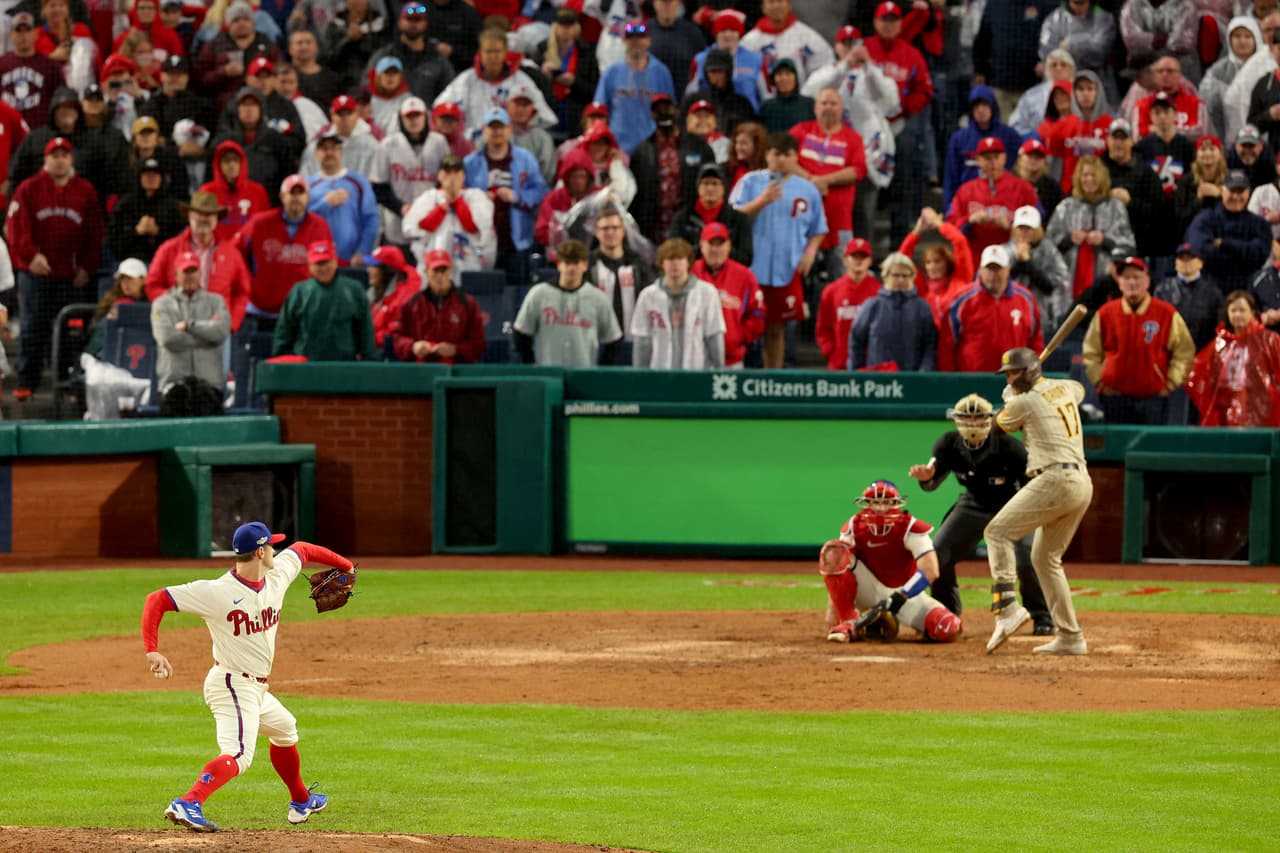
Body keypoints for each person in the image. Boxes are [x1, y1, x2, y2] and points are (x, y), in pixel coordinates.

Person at [142, 521, 351, 832]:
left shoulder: (277, 574)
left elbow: (304, 549)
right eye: (271, 546)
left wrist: (345, 565)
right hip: (231, 684)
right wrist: (152, 650)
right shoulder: (215, 592)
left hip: (257, 689)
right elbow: (156, 599)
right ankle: (189, 802)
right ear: (259, 551)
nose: (276, 550)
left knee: (285, 729)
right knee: (239, 755)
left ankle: (301, 801)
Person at [907, 393, 1054, 635]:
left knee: (1028, 559)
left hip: (1013, 507)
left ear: (990, 419)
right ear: (956, 420)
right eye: (967, 418)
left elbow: (1032, 486)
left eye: (979, 418)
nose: (973, 424)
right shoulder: (948, 444)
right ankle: (947, 615)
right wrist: (926, 478)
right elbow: (932, 480)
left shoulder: (1008, 446)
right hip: (973, 505)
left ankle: (1042, 617)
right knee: (939, 553)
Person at [983, 346, 1092, 655]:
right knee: (1044, 559)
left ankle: (1007, 609)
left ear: (1029, 372)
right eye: (1006, 374)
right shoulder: (1064, 387)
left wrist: (1009, 395)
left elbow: (999, 425)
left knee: (997, 532)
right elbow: (1079, 390)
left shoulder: (1023, 402)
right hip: (1081, 482)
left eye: (1013, 373)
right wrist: (1035, 384)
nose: (1009, 378)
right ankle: (1071, 637)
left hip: (1056, 478)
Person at [5, 136, 102, 400]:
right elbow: (16, 230)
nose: (59, 160)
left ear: (71, 160)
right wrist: (31, 256)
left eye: (64, 155)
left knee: (71, 328)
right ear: (45, 160)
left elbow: (94, 233)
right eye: (54, 155)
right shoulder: (28, 188)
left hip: (69, 276)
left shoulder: (85, 191)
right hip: (35, 273)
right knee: (32, 325)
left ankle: (68, 380)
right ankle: (27, 380)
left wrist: (86, 266)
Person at [818, 479, 962, 644]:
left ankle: (878, 622)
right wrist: (833, 608)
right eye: (875, 502)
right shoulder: (854, 525)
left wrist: (898, 599)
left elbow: (931, 571)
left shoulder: (911, 527)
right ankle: (849, 623)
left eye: (886, 502)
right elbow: (837, 567)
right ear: (866, 504)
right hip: (866, 589)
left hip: (903, 594)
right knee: (833, 551)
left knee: (948, 628)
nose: (880, 508)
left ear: (896, 503)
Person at [730, 131, 827, 368]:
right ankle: (738, 376)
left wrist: (810, 253)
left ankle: (773, 379)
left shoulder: (808, 189)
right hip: (751, 269)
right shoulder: (750, 182)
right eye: (776, 154)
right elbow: (733, 218)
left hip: (786, 269)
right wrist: (762, 201)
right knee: (741, 327)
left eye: (787, 155)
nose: (781, 160)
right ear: (767, 156)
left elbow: (820, 228)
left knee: (777, 329)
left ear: (796, 157)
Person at [1082, 255, 1195, 424]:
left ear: (1147, 281)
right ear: (1119, 283)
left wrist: (1170, 382)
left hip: (1153, 399)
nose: (1131, 282)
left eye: (1136, 277)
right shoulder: (1105, 313)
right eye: (1126, 278)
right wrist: (1100, 381)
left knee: (1151, 448)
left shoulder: (1166, 313)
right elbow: (1091, 351)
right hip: (1114, 398)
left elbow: (1184, 351)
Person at [236, 174, 335, 329]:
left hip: (303, 312)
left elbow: (329, 264)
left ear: (308, 197)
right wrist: (247, 281)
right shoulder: (259, 223)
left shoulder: (320, 226)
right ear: (282, 196)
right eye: (291, 193)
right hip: (261, 311)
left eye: (300, 193)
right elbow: (235, 251)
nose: (296, 198)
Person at [146, 191, 251, 333]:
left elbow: (242, 292)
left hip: (216, 329)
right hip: (178, 327)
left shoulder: (232, 253)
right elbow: (152, 284)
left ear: (216, 218)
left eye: (209, 214)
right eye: (198, 213)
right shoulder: (168, 249)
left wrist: (231, 322)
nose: (203, 218)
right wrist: (173, 305)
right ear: (189, 216)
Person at [790, 87, 867, 280]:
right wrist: (810, 181)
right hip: (801, 220)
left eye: (833, 103)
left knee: (842, 276)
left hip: (839, 221)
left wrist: (825, 181)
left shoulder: (853, 139)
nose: (828, 107)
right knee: (799, 276)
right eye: (824, 103)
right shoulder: (801, 131)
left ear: (841, 109)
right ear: (815, 108)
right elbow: (784, 159)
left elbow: (857, 170)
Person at [513, 238, 623, 366]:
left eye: (576, 263)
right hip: (548, 372)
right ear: (559, 264)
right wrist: (530, 362)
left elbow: (614, 339)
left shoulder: (598, 298)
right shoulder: (538, 294)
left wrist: (600, 370)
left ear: (585, 265)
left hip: (584, 373)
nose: (571, 268)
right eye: (567, 262)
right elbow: (521, 333)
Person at [938, 244, 1045, 372]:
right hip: (972, 381)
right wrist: (953, 380)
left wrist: (1032, 371)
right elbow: (946, 346)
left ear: (1008, 270)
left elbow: (1036, 340)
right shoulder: (961, 301)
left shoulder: (1026, 299)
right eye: (989, 269)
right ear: (981, 270)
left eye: (998, 269)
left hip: (1016, 381)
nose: (993, 274)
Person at [1045, 155, 1137, 303]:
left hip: (1106, 280)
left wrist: (1105, 241)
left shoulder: (1115, 207)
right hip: (1070, 281)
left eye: (1093, 175)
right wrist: (1068, 240)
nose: (1089, 179)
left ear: (1102, 177)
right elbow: (1048, 246)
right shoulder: (1066, 207)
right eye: (1085, 175)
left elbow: (1129, 247)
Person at [1186, 288, 1280, 425]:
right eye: (1233, 311)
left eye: (1242, 310)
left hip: (1265, 412)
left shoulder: (1270, 340)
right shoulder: (1219, 345)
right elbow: (1200, 375)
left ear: (1252, 312)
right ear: (1227, 314)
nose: (1237, 315)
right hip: (1226, 413)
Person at [272, 240, 378, 361]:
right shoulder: (299, 292)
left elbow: (365, 332)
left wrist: (370, 360)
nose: (323, 268)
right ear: (309, 265)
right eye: (318, 263)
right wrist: (279, 361)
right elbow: (284, 331)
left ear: (335, 262)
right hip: (305, 366)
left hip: (344, 366)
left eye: (326, 262)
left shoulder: (354, 290)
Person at [630, 236, 725, 369]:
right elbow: (642, 341)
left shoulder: (707, 293)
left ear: (688, 262)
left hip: (696, 373)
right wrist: (640, 375)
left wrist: (719, 371)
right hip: (659, 372)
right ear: (662, 263)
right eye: (669, 259)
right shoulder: (647, 296)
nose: (675, 264)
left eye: (680, 259)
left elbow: (713, 336)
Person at [151, 249, 231, 400]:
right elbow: (167, 338)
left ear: (200, 274)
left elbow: (221, 332)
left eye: (193, 271)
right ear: (176, 275)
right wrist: (207, 337)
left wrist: (189, 326)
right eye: (185, 271)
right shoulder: (162, 304)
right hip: (173, 385)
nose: (190, 276)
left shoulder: (216, 301)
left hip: (210, 385)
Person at [945, 136, 1039, 257]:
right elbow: (950, 226)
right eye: (987, 158)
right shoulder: (965, 191)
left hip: (1012, 259)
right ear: (978, 160)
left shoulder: (1024, 188)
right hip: (974, 258)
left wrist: (1012, 226)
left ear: (1004, 158)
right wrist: (969, 220)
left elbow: (1038, 228)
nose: (992, 163)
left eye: (996, 157)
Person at [691, 221, 764, 369]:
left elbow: (758, 313)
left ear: (729, 246)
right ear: (702, 246)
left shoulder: (744, 275)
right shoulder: (690, 272)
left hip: (731, 360)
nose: (716, 249)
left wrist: (738, 337)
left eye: (720, 244)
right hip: (694, 359)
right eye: (711, 244)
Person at [1187, 168, 1274, 292]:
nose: (1236, 196)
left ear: (1248, 192)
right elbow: (1199, 251)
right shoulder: (1204, 219)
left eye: (1241, 191)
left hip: (1248, 290)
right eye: (1232, 191)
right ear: (1222, 191)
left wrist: (1224, 244)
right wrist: (1243, 254)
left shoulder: (1259, 224)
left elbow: (1259, 254)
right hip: (1211, 289)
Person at [392, 248, 484, 364]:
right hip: (419, 368)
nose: (440, 276)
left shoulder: (467, 303)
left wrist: (456, 349)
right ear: (426, 271)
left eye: (443, 270)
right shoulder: (411, 303)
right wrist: (413, 346)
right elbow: (397, 338)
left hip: (455, 369)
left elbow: (478, 344)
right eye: (435, 270)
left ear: (450, 271)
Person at [848, 251, 937, 371]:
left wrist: (925, 371)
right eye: (895, 275)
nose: (900, 280)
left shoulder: (922, 307)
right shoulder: (872, 305)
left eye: (905, 275)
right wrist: (856, 373)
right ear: (885, 276)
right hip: (879, 380)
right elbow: (856, 341)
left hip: (912, 378)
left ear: (913, 277)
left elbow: (930, 344)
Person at [305, 131, 379, 269]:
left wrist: (363, 250)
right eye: (324, 149)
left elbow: (371, 219)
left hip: (350, 261)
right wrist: (325, 204)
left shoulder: (358, 182)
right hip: (317, 260)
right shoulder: (307, 185)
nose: (329, 153)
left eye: (334, 148)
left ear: (341, 152)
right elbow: (301, 219)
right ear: (316, 154)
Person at [587, 206, 656, 345]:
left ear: (623, 231)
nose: (610, 232)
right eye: (605, 228)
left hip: (633, 341)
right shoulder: (588, 265)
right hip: (596, 343)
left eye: (615, 227)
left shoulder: (639, 263)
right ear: (596, 232)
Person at [364, 4, 455, 107]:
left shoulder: (438, 61)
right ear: (399, 23)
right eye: (409, 19)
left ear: (425, 24)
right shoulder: (383, 56)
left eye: (418, 20)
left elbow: (450, 96)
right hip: (387, 116)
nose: (413, 24)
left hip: (425, 118)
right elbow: (366, 88)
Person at [814, 237, 880, 372]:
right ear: (845, 260)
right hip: (839, 365)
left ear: (870, 261)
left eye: (863, 256)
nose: (859, 260)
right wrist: (831, 352)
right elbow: (823, 328)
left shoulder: (879, 292)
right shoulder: (831, 291)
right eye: (854, 256)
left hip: (871, 365)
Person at [667, 163, 751, 266]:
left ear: (724, 188)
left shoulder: (739, 220)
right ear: (698, 187)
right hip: (692, 275)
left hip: (729, 276)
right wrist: (704, 247)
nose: (710, 188)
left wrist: (721, 250)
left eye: (715, 183)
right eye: (706, 183)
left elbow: (746, 258)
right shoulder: (682, 219)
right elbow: (673, 254)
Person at [108, 155, 186, 268]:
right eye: (147, 174)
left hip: (166, 263)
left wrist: (158, 233)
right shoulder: (125, 205)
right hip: (130, 263)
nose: (151, 178)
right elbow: (113, 242)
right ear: (139, 177)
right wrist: (136, 232)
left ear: (162, 178)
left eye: (155, 174)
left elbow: (182, 241)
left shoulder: (173, 207)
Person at [532, 5, 601, 133]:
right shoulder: (542, 49)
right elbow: (530, 86)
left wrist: (574, 82)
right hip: (547, 111)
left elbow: (595, 90)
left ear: (576, 27)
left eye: (570, 26)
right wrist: (543, 76)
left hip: (574, 115)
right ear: (555, 26)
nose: (566, 30)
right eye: (562, 25)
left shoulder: (586, 52)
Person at [1005, 205, 1072, 328]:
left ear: (1037, 230)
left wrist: (1028, 264)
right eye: (1020, 228)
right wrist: (1018, 262)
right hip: (1007, 313)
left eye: (1028, 228)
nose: (1024, 232)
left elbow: (1052, 286)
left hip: (1041, 315)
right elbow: (998, 284)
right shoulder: (1003, 251)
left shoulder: (1049, 252)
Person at [1153, 241, 1225, 350]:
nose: (1186, 263)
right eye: (1182, 259)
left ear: (1201, 262)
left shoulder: (1213, 292)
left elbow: (1219, 326)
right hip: (1171, 351)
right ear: (1175, 263)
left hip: (1203, 352)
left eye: (1190, 258)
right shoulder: (1162, 289)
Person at [0, 11, 63, 129]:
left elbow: (60, 102)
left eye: (27, 30)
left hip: (38, 134)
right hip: (8, 132)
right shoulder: (2, 65)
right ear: (11, 35)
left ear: (35, 34)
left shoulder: (50, 66)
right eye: (18, 31)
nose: (23, 36)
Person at [200, 139, 271, 244]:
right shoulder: (207, 192)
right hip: (217, 252)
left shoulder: (258, 191)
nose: (231, 165)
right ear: (218, 164)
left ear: (242, 163)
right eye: (226, 160)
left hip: (249, 253)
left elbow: (266, 226)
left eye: (235, 160)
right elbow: (200, 226)